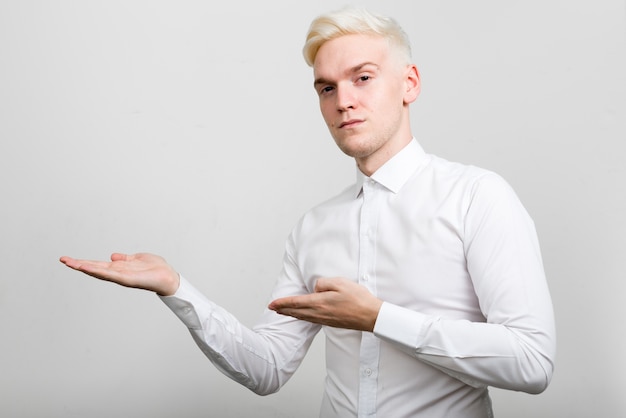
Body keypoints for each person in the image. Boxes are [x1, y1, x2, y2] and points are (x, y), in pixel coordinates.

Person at [60, 7, 556, 417]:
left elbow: (532, 361)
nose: (344, 101)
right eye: (327, 88)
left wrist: (379, 318)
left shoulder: (477, 197)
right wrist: (177, 289)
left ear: (409, 83)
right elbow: (269, 368)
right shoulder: (315, 227)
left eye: (362, 78)